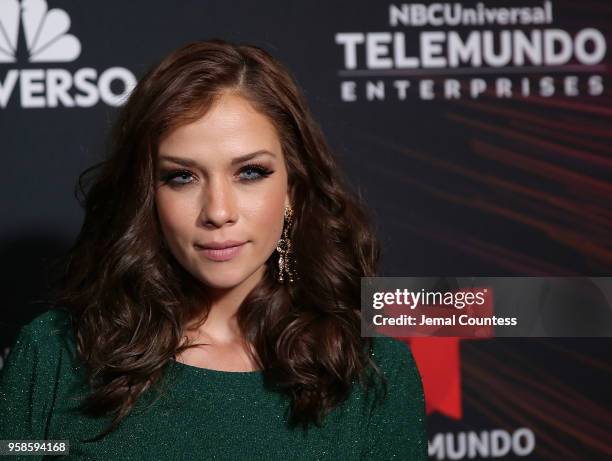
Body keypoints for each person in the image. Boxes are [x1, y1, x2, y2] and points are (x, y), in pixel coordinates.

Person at [0, 39, 427, 460]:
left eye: (250, 172)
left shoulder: (370, 372)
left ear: (292, 190)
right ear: (147, 195)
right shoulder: (55, 352)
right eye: (182, 177)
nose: (218, 211)